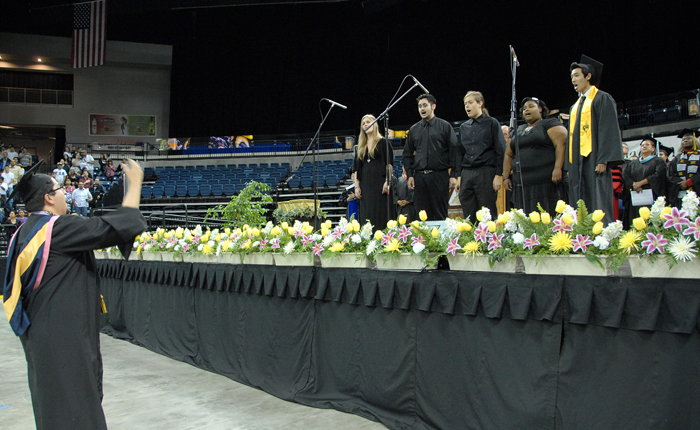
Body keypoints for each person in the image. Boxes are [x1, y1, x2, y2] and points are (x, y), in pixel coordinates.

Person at [2, 159, 146, 430]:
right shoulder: (57, 229)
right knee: (76, 407)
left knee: (53, 404)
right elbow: (118, 225)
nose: (65, 194)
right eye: (59, 190)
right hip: (64, 335)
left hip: (41, 333)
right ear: (48, 198)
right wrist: (136, 183)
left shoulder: (23, 232)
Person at [566, 55, 624, 224]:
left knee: (597, 197)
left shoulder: (601, 98)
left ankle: (600, 236)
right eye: (571, 77)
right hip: (577, 162)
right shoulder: (575, 106)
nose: (573, 80)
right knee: (579, 200)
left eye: (576, 75)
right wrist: (570, 164)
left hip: (594, 159)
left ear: (588, 76)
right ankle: (581, 236)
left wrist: (603, 159)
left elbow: (608, 129)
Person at [502, 97, 567, 213]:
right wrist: (506, 176)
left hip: (546, 182)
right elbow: (508, 154)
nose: (526, 110)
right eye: (524, 108)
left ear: (540, 109)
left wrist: (558, 168)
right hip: (522, 184)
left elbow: (561, 145)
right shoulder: (517, 130)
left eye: (531, 106)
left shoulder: (550, 123)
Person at [402, 94, 460, 221]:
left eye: (425, 105)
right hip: (419, 178)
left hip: (439, 176)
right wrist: (410, 174)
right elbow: (407, 154)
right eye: (419, 106)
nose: (422, 109)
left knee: (440, 214)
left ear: (433, 106)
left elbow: (454, 152)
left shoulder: (445, 126)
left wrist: (454, 175)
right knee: (422, 216)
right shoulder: (414, 129)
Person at [455, 91, 506, 221]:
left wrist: (499, 175)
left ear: (480, 103)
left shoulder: (492, 123)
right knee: (468, 211)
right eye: (465, 103)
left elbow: (500, 150)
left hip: (485, 171)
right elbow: (459, 153)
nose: (467, 106)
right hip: (467, 173)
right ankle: (471, 239)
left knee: (487, 212)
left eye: (470, 102)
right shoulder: (463, 127)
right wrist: (459, 176)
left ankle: (490, 239)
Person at [354, 114, 395, 229]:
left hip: (380, 183)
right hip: (365, 187)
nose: (366, 124)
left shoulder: (383, 143)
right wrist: (357, 186)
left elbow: (389, 164)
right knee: (367, 214)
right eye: (363, 123)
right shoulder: (361, 147)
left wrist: (388, 180)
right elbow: (357, 168)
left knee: (380, 214)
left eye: (368, 122)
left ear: (374, 123)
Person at [623, 136, 667, 225]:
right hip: (636, 195)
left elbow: (658, 175)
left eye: (647, 145)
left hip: (652, 194)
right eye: (642, 145)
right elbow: (626, 176)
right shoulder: (633, 163)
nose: (644, 146)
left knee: (650, 218)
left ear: (653, 148)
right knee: (636, 218)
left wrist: (641, 183)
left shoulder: (658, 161)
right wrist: (633, 185)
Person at [668, 129, 700, 208]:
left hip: (697, 193)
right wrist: (680, 183)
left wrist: (689, 182)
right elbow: (670, 174)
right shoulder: (677, 158)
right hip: (680, 195)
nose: (685, 140)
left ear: (695, 140)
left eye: (689, 138)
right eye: (683, 139)